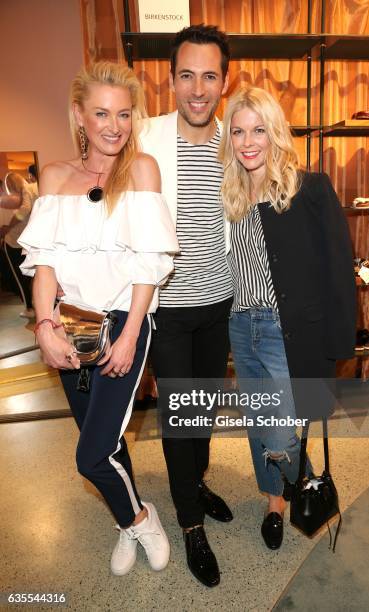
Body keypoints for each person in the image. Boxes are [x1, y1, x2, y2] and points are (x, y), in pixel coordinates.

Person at [18, 61, 179, 577]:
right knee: (103, 441)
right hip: (70, 326)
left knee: (91, 455)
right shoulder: (56, 176)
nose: (114, 126)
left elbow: (150, 264)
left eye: (125, 114)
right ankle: (126, 521)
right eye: (102, 113)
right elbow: (44, 267)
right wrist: (45, 327)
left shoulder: (143, 169)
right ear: (79, 117)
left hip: (124, 321)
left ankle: (141, 518)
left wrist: (131, 335)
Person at [218, 86, 356, 550]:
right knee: (261, 423)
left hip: (284, 331)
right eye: (238, 131)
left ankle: (305, 483)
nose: (247, 141)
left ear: (275, 132)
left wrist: (339, 345)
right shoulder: (231, 194)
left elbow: (339, 267)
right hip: (242, 326)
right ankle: (276, 500)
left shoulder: (309, 187)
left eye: (258, 129)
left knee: (278, 428)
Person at [139, 24, 233, 587]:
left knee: (203, 410)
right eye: (186, 75)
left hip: (220, 304)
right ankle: (190, 523)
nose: (198, 89)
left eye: (210, 76)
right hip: (168, 305)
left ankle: (196, 480)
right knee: (178, 418)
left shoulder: (235, 139)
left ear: (225, 80)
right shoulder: (145, 137)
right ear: (171, 79)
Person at [0, 172, 38, 317]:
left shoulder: (27, 190)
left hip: (16, 242)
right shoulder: (35, 188)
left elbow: (24, 210)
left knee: (20, 277)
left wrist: (8, 227)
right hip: (26, 241)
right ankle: (32, 306)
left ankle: (30, 308)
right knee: (30, 276)